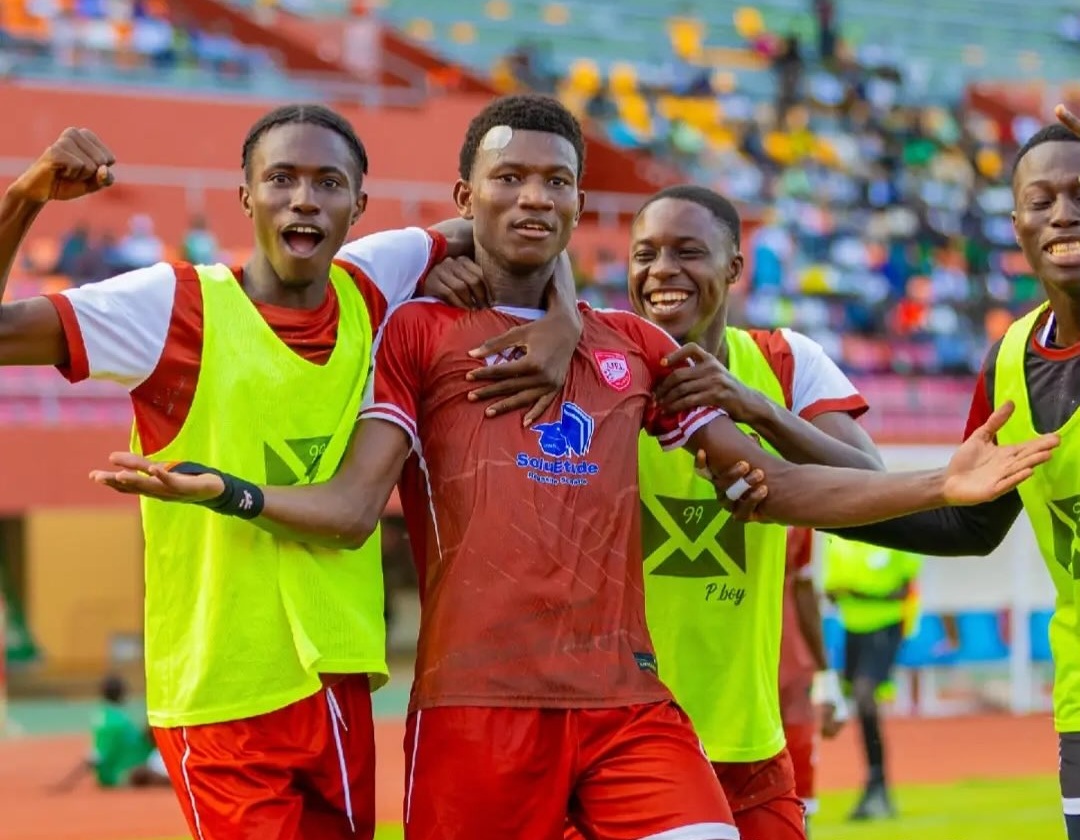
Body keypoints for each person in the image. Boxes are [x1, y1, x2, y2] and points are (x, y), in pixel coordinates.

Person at [90, 94, 1058, 840]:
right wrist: (230, 491)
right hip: (475, 713)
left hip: (624, 706)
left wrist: (936, 483)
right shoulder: (412, 332)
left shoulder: (634, 347)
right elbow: (351, 508)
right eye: (509, 178)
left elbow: (762, 490)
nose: (535, 196)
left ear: (579, 204)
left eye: (556, 182)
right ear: (465, 201)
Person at [0, 104, 577, 840]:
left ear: (358, 205)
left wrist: (565, 320)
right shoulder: (170, 306)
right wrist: (24, 198)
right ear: (245, 196)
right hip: (224, 693)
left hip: (338, 677)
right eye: (281, 179)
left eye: (328, 183)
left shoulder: (373, 279)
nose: (305, 199)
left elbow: (514, 225)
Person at [791, 110, 1080, 840]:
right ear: (1016, 225)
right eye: (1041, 200)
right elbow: (969, 524)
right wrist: (798, 495)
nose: (1063, 214)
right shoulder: (1008, 361)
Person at [822, 535, 921, 820]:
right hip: (852, 629)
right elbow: (831, 591)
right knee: (860, 703)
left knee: (865, 695)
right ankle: (875, 785)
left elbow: (905, 590)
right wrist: (844, 593)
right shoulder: (839, 539)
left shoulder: (894, 535)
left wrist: (857, 592)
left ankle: (878, 784)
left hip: (886, 626)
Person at [779, 527, 847, 836]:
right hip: (721, 667)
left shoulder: (796, 514)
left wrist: (826, 677)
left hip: (789, 667)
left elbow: (803, 586)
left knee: (798, 797)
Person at [50, 675, 171, 792]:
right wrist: (66, 783)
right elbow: (96, 756)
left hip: (132, 764)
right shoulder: (111, 721)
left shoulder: (107, 715)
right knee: (143, 772)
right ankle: (175, 782)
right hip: (119, 774)